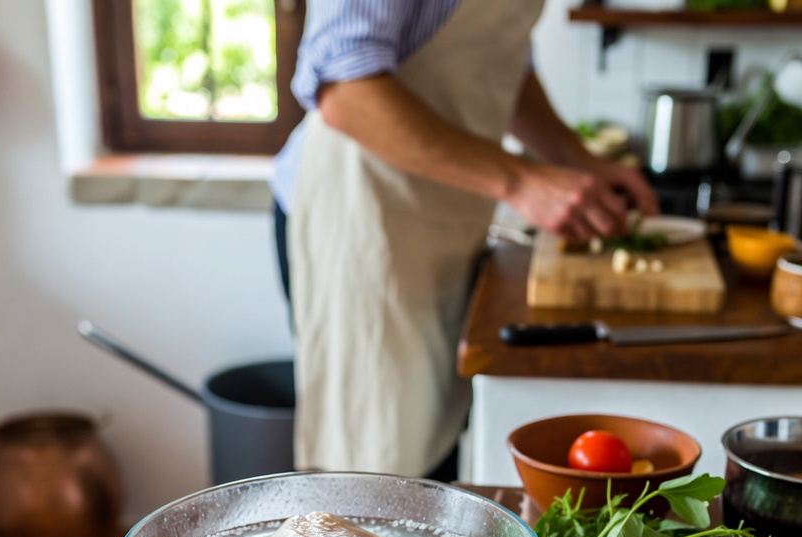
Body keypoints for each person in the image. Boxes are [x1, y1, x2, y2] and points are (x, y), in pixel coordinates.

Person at [272, 1, 659, 481]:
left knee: (430, 458)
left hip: (446, 223)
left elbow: (501, 63)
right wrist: (521, 181)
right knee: (373, 472)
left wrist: (576, 158)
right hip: (364, 219)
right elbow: (344, 87)